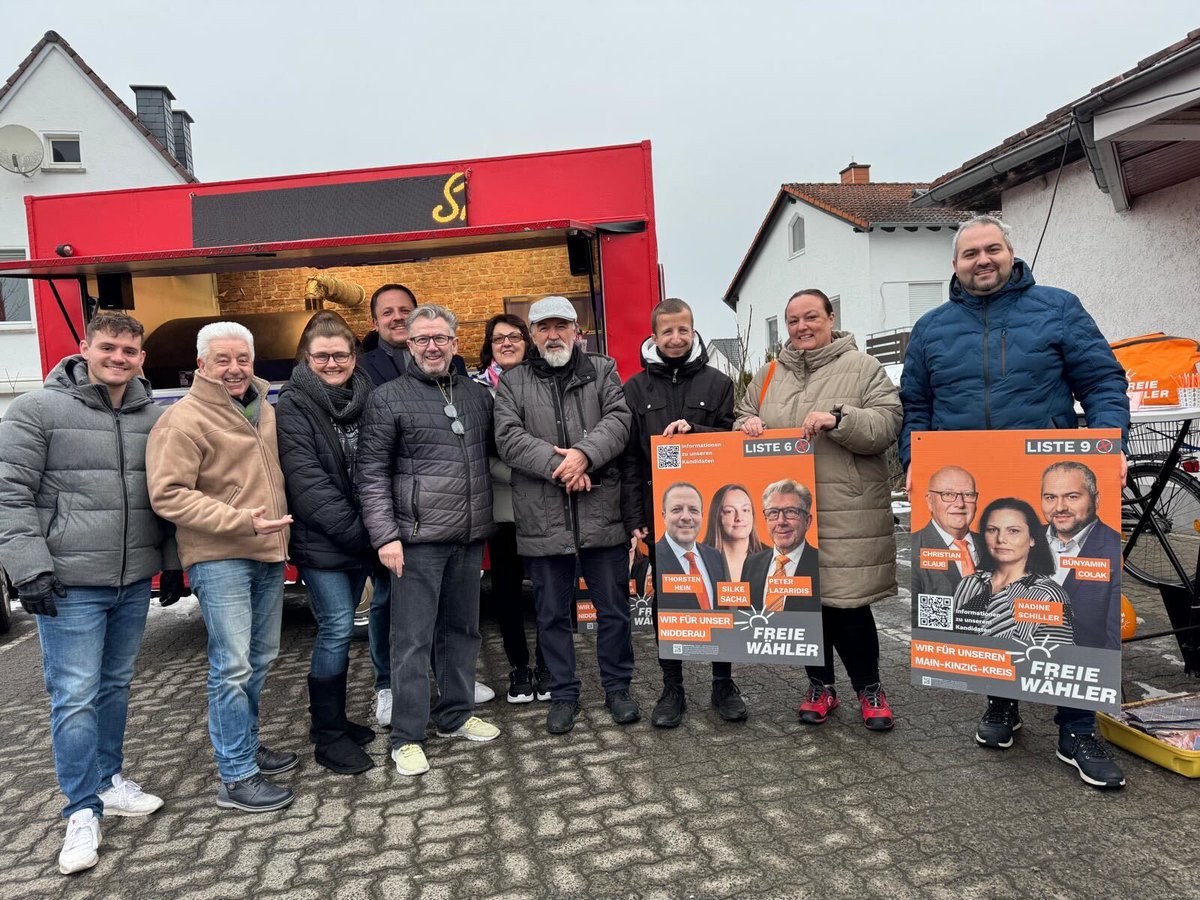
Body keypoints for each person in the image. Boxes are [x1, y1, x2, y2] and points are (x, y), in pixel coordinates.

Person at [900, 213, 1129, 789]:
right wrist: (914, 464)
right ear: (954, 265)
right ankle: (1003, 699)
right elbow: (917, 407)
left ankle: (1076, 725)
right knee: (986, 590)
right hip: (971, 486)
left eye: (992, 249)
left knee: (1071, 597)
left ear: (1010, 253)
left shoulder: (1057, 307)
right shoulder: (930, 328)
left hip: (1045, 480)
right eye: (970, 253)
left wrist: (1109, 447)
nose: (982, 260)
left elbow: (1102, 382)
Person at [0, 313, 182, 874]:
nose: (119, 358)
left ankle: (108, 781)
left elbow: (166, 495)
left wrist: (172, 564)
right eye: (109, 347)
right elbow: (8, 493)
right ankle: (81, 809)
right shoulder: (37, 410)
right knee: (74, 696)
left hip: (130, 582)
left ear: (142, 357)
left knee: (114, 687)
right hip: (70, 582)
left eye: (131, 350)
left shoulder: (154, 417)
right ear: (85, 348)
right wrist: (28, 568)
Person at [147, 321, 297, 812]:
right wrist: (237, 520)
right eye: (222, 360)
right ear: (202, 366)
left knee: (260, 658)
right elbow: (168, 494)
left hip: (268, 551)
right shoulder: (183, 419)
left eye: (242, 359)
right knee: (230, 667)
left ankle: (247, 748)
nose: (234, 369)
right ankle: (235, 775)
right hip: (220, 557)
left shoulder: (264, 407)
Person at [736, 288, 901, 731]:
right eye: (793, 320)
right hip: (792, 516)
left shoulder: (863, 367)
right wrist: (746, 425)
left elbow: (887, 424)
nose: (802, 327)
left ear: (831, 318)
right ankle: (820, 686)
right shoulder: (768, 375)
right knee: (803, 605)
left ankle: (870, 689)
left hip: (847, 510)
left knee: (849, 607)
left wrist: (840, 418)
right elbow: (742, 418)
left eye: (811, 317)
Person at [357, 305, 500, 777]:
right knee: (411, 641)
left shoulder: (479, 397)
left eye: (440, 338)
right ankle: (406, 736)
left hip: (468, 535)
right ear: (408, 345)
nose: (432, 347)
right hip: (416, 540)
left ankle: (455, 715)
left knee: (462, 632)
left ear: (456, 344)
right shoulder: (388, 399)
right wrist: (385, 536)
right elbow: (372, 474)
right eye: (422, 340)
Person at [495, 295, 638, 735]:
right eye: (543, 327)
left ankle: (618, 689)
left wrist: (583, 455)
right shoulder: (512, 382)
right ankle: (564, 694)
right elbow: (507, 437)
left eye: (561, 326)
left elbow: (619, 419)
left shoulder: (604, 369)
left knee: (613, 610)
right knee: (551, 615)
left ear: (578, 331)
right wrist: (562, 467)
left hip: (601, 514)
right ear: (533, 336)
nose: (553, 335)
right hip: (543, 518)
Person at [620, 297, 743, 727]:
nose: (676, 338)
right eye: (667, 331)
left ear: (694, 332)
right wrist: (636, 518)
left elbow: (733, 442)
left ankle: (723, 682)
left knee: (719, 594)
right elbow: (630, 460)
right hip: (661, 519)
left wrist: (699, 431)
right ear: (653, 336)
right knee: (667, 603)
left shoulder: (717, 382)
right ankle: (673, 687)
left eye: (683, 330)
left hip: (709, 516)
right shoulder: (634, 389)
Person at [275, 311, 376, 775]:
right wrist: (366, 535)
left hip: (361, 537)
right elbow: (308, 483)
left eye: (341, 354)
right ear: (306, 358)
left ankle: (332, 722)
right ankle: (328, 736)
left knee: (343, 624)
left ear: (354, 357)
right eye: (322, 356)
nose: (332, 363)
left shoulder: (368, 394)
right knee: (337, 626)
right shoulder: (293, 405)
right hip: (325, 540)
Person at [472, 314, 548, 703]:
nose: (506, 343)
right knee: (506, 593)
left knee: (551, 593)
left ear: (526, 341)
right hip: (503, 508)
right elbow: (475, 453)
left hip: (546, 507)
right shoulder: (476, 390)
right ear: (489, 344)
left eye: (514, 336)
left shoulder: (547, 381)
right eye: (498, 338)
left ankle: (549, 667)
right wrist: (529, 473)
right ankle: (519, 668)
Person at [952, 498, 1075, 645]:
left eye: (1013, 531)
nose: (1001, 539)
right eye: (992, 530)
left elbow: (1054, 658)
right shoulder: (968, 584)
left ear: (1032, 539)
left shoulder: (1048, 595)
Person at [1040, 461, 1122, 650]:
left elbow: (1112, 642)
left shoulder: (1114, 550)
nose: (1059, 507)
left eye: (1072, 496)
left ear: (1096, 499)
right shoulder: (1022, 539)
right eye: (1050, 497)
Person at [742, 480, 821, 612]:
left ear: (807, 521)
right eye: (773, 512)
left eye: (791, 511)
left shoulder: (821, 563)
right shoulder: (752, 563)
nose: (781, 521)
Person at [912, 466, 981, 600]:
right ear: (930, 501)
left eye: (968, 495)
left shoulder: (992, 546)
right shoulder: (914, 550)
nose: (960, 504)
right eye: (948, 495)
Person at [704, 483, 767, 583]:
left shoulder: (772, 558)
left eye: (745, 510)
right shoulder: (699, 559)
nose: (739, 518)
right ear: (716, 517)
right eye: (729, 511)